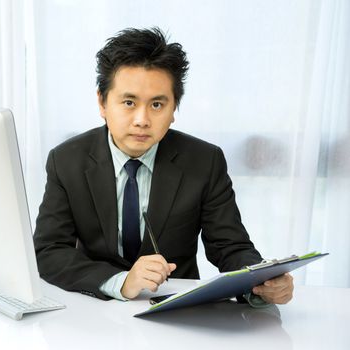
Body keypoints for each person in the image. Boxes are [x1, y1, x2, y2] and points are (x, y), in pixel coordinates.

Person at [33, 27, 293, 304]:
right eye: (129, 102)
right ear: (102, 102)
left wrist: (261, 282)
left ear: (174, 109)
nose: (142, 120)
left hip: (176, 308)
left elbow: (230, 247)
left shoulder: (205, 161)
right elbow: (49, 250)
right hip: (93, 310)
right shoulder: (66, 160)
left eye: (157, 105)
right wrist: (120, 281)